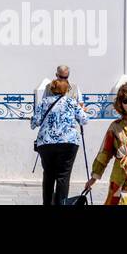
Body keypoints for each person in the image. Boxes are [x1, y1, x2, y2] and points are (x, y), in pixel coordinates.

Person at [30, 77, 89, 205]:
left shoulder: (44, 102)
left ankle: (47, 203)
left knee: (48, 175)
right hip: (69, 143)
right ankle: (61, 203)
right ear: (67, 90)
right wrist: (83, 111)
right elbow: (84, 120)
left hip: (46, 143)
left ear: (52, 89)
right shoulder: (72, 102)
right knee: (63, 176)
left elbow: (34, 123)